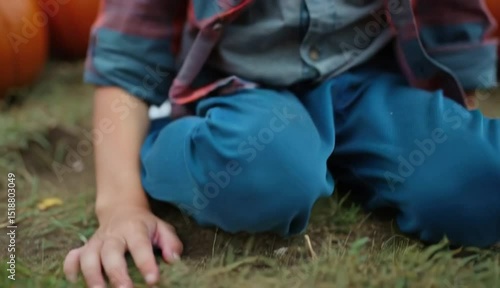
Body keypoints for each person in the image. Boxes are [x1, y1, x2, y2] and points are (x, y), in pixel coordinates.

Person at [64, 0, 500, 287]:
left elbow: (451, 20)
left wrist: (448, 120)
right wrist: (120, 205)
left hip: (368, 81)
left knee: (478, 183)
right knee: (266, 171)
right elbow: (127, 56)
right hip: (235, 89)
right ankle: (178, 139)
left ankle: (339, 151)